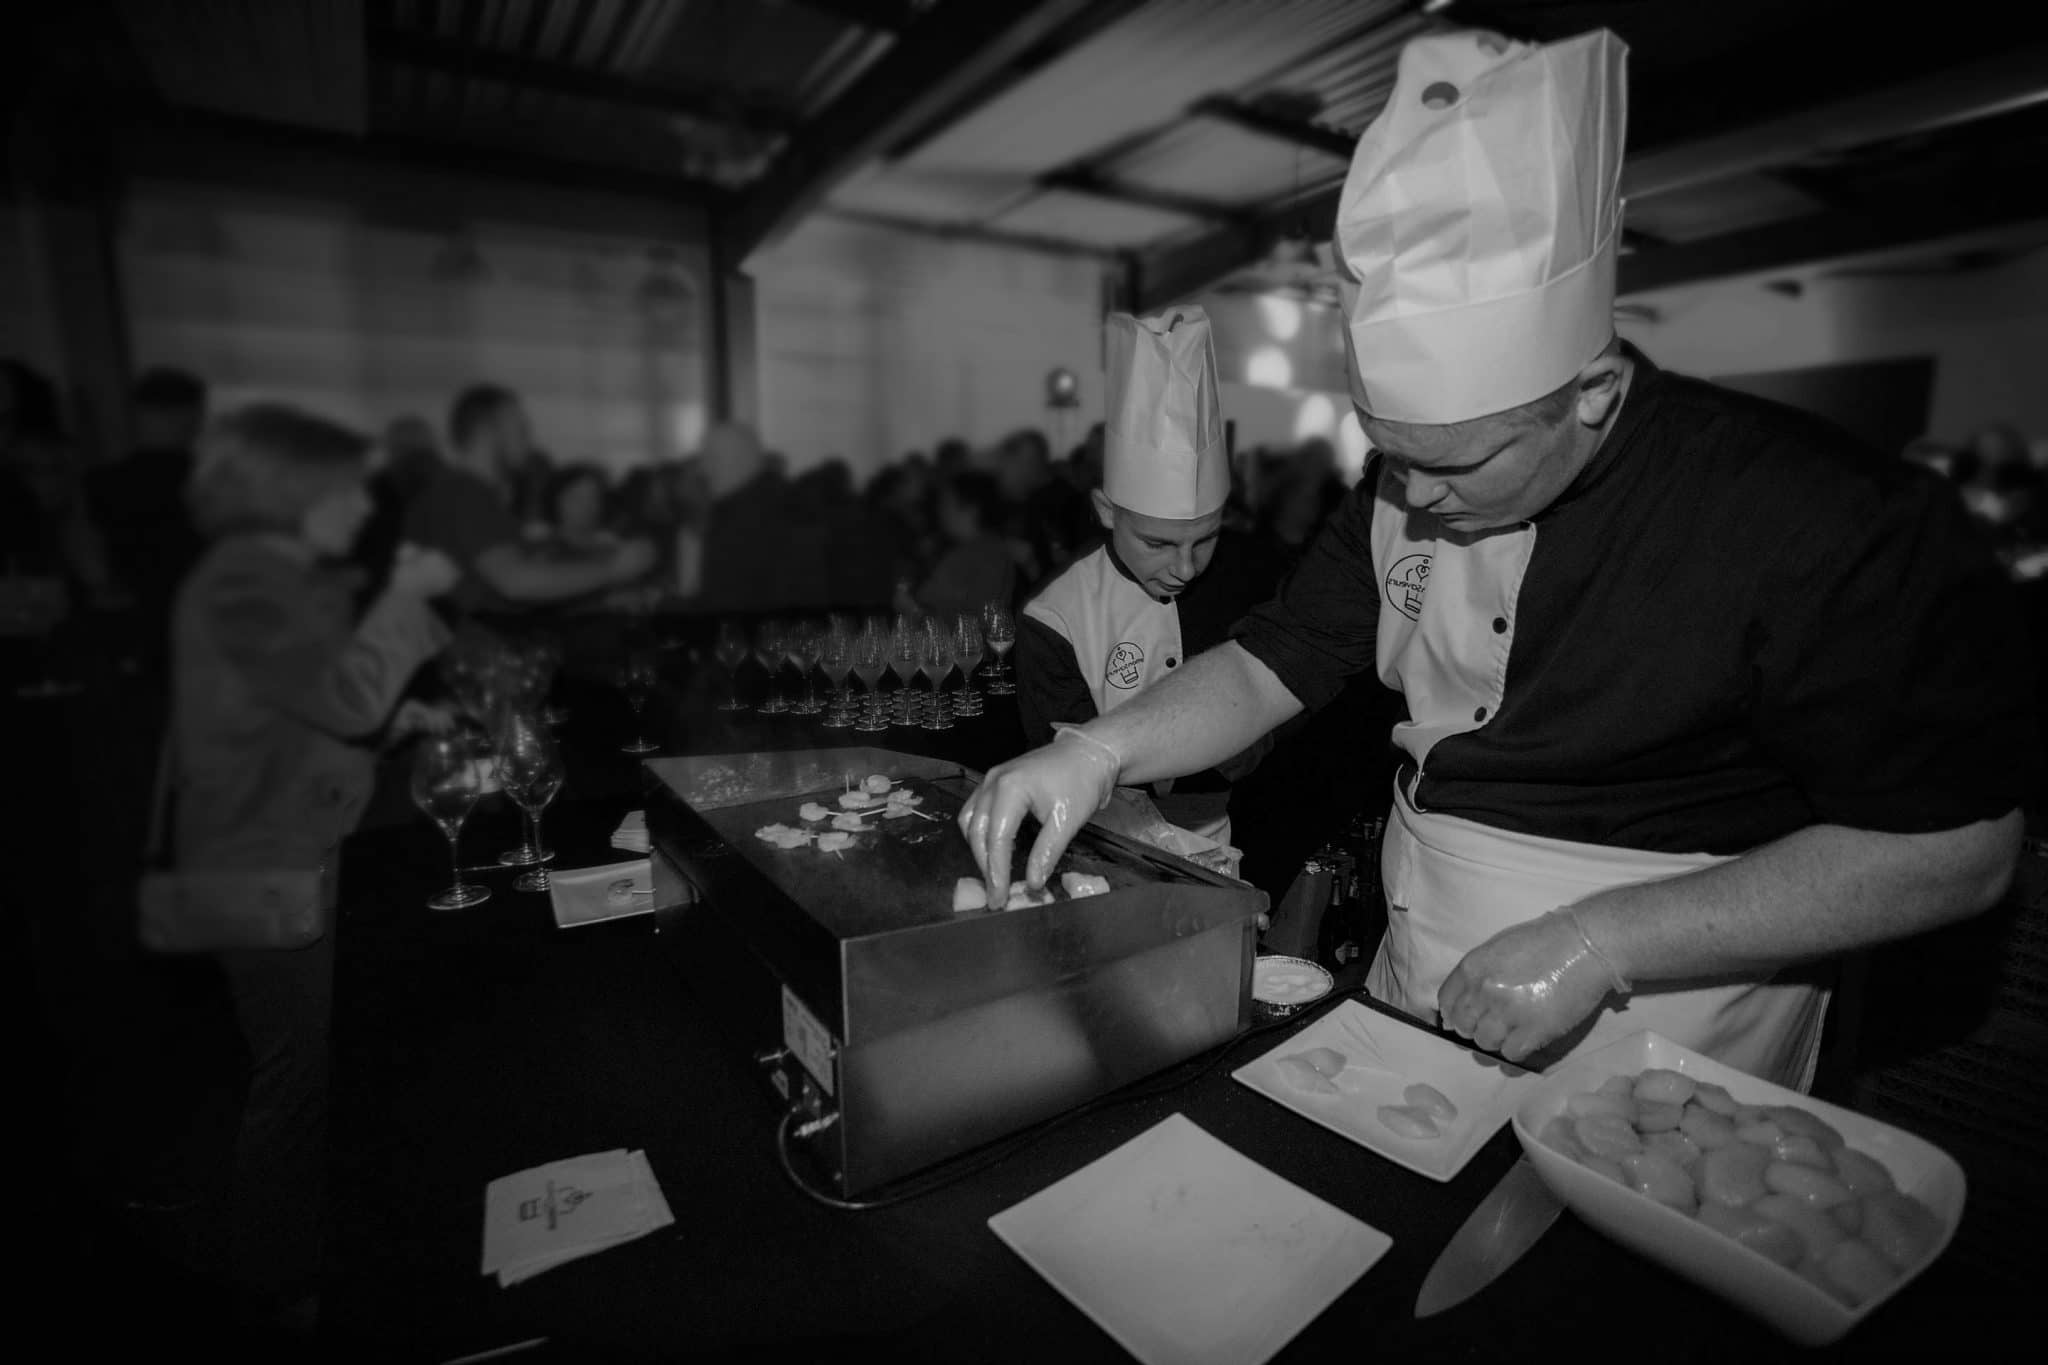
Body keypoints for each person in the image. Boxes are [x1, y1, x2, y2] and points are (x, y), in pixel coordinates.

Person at [960, 28, 2035, 1089]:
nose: (1413, 496)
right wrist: (1097, 749)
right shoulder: (1400, 485)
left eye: (1455, 464)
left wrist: (1600, 939)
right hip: (1416, 977)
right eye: (1388, 452)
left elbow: (1956, 847)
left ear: (1592, 394)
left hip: (1670, 1031)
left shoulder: (1812, 516)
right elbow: (1265, 665)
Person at [169, 404, 458, 1326]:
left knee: (307, 1064)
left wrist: (391, 721)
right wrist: (407, 594)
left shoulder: (265, 577)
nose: (365, 506)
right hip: (258, 863)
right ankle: (279, 1286)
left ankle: (301, 1259)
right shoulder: (244, 581)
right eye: (350, 488)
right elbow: (340, 696)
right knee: (297, 1078)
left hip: (273, 843)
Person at [1013, 308, 1281, 848]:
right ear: (1106, 511)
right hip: (1102, 844)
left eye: (1205, 539)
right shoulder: (1056, 616)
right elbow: (1062, 762)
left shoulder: (1253, 580)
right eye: (1157, 544)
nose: (1185, 568)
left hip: (1231, 835)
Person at [403, 384, 654, 615]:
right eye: (521, 430)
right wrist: (614, 569)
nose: (528, 441)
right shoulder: (465, 493)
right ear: (488, 431)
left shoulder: (459, 491)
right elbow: (515, 581)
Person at [85, 367, 210, 671]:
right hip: (195, 617)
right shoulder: (210, 484)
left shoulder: (101, 482)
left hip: (131, 620)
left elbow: (89, 551)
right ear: (192, 416)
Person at [898, 471, 1018, 622]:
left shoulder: (990, 555)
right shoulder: (957, 548)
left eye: (946, 503)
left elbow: (978, 622)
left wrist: (914, 611)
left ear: (971, 509)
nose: (941, 511)